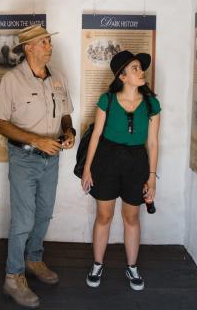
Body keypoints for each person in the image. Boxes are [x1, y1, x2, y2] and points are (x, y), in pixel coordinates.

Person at [0, 24, 75, 308]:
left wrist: (70, 132)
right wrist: (37, 140)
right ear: (28, 48)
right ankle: (13, 277)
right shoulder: (12, 80)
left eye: (49, 42)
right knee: (23, 220)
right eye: (44, 42)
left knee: (43, 215)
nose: (50, 47)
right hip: (24, 159)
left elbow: (65, 114)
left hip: (52, 159)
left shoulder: (58, 78)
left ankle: (33, 260)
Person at [80, 50, 161, 291]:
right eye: (135, 68)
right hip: (107, 160)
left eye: (140, 67)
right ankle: (97, 264)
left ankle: (132, 267)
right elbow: (95, 135)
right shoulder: (107, 99)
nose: (141, 71)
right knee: (104, 216)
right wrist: (87, 169)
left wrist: (152, 178)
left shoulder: (151, 103)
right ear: (122, 76)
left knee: (132, 217)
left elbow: (154, 143)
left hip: (137, 162)